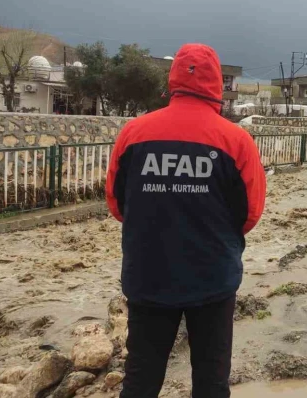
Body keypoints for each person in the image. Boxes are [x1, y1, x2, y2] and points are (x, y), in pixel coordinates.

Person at [106, 43, 266, 398]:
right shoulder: (236, 141)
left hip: (148, 278)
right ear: (216, 85)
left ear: (174, 79)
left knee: (140, 381)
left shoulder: (133, 134)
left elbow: (117, 204)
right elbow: (251, 212)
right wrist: (214, 237)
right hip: (212, 280)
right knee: (211, 382)